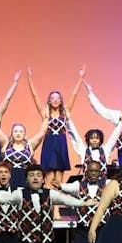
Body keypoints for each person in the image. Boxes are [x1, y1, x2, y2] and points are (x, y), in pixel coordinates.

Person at [25, 66, 84, 203]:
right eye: (53, 98)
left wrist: (80, 79)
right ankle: (47, 205)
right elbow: (35, 97)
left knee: (59, 180)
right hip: (49, 144)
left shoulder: (65, 112)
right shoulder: (45, 113)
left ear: (60, 100)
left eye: (58, 98)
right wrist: (29, 79)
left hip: (61, 145)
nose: (55, 100)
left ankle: (56, 209)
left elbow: (73, 95)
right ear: (49, 100)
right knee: (49, 178)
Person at [57, 159, 109, 243]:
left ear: (101, 172)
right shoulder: (78, 185)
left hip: (102, 230)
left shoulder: (108, 185)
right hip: (83, 230)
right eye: (91, 171)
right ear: (86, 172)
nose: (94, 173)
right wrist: (58, 185)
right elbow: (64, 187)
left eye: (96, 171)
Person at [0, 112, 49, 190]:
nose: (18, 133)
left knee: (23, 199)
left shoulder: (29, 146)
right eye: (15, 131)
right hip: (8, 178)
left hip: (24, 178)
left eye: (21, 131)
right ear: (12, 133)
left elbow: (42, 133)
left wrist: (46, 119)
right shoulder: (6, 143)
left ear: (24, 134)